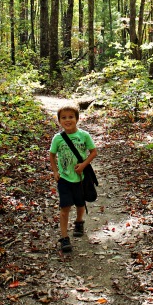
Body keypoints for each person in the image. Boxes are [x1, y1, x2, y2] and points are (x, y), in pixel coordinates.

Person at [49, 103, 97, 253]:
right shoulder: (58, 138)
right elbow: (52, 155)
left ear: (77, 118)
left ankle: (79, 221)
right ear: (59, 121)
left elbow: (93, 152)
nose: (67, 120)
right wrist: (55, 171)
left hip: (81, 178)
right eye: (63, 118)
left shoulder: (84, 135)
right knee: (65, 208)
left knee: (80, 203)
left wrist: (83, 165)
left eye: (71, 117)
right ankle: (64, 238)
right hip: (64, 179)